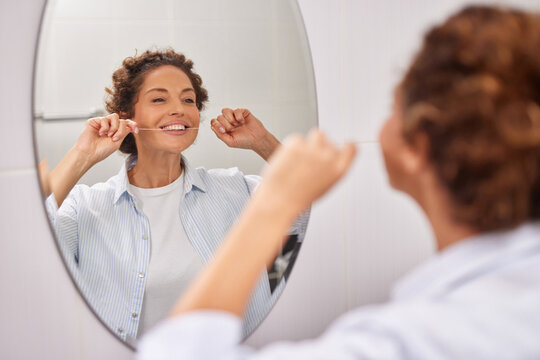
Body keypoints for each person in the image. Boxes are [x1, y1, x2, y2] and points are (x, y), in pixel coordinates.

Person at [137, 6, 540, 359]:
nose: (178, 109)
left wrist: (272, 197)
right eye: (158, 98)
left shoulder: (412, 343)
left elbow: (177, 353)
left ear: (416, 148)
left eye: (392, 109)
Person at [44, 49, 309, 343]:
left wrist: (262, 141)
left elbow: (312, 204)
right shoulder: (85, 209)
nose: (179, 109)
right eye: (159, 99)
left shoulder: (238, 191)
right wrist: (82, 155)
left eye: (188, 100)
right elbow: (26, 239)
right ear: (127, 117)